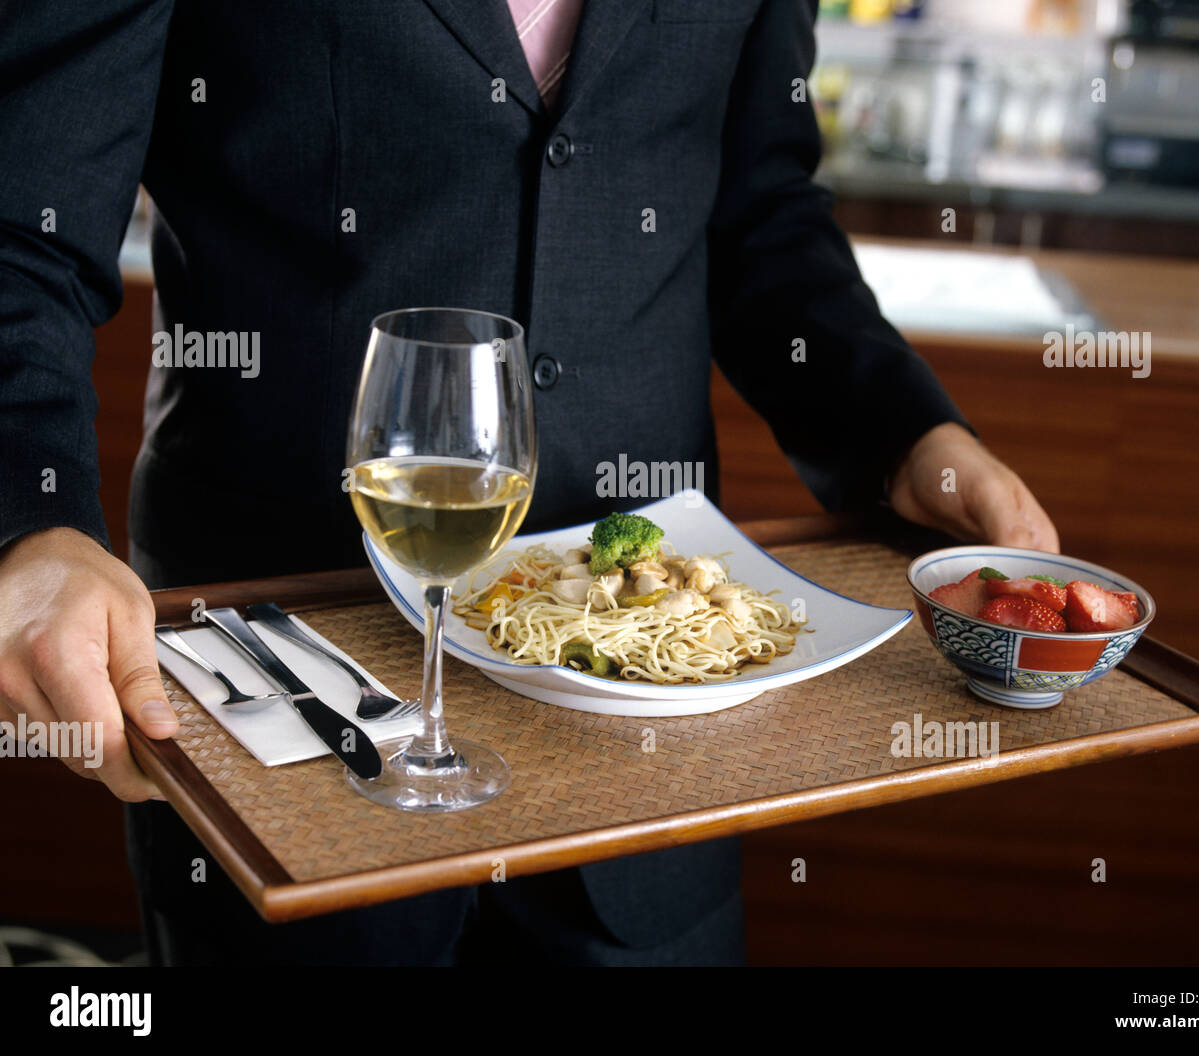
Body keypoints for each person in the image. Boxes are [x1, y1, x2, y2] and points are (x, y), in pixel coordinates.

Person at [0, 0, 1057, 965]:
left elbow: (761, 211)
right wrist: (27, 517)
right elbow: (21, 231)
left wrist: (903, 433)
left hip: (660, 734)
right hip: (287, 676)